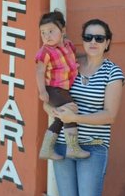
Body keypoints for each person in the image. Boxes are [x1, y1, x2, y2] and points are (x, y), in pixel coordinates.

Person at [44, 19, 125, 196]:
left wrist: (75, 117)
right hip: (62, 145)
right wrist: (52, 110)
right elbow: (49, 100)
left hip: (93, 147)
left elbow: (110, 115)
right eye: (88, 37)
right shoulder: (69, 64)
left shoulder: (113, 73)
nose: (93, 42)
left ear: (107, 42)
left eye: (99, 38)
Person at [36, 11, 90, 160]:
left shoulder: (69, 45)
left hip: (63, 89)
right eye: (43, 33)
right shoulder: (45, 51)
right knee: (70, 112)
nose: (47, 36)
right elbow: (39, 71)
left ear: (63, 31)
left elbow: (73, 59)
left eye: (51, 31)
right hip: (53, 89)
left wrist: (88, 59)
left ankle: (46, 149)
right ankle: (72, 148)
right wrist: (42, 91)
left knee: (60, 118)